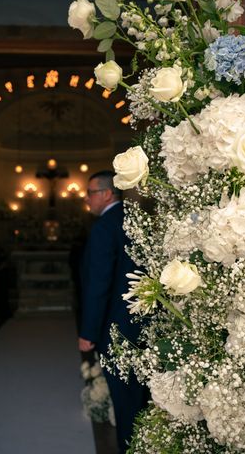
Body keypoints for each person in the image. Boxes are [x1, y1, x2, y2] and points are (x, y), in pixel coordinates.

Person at [78, 170, 148, 454]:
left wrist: (88, 332)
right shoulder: (135, 219)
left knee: (125, 400)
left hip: (116, 326)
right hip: (141, 322)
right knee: (141, 397)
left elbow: (99, 284)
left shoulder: (105, 226)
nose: (87, 199)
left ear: (107, 193)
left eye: (91, 193)